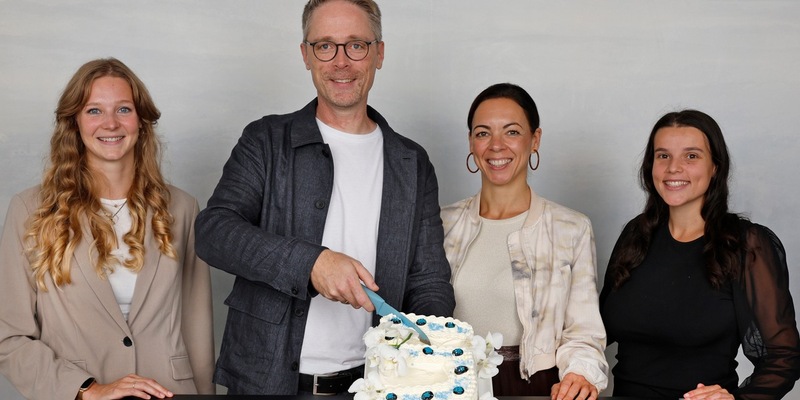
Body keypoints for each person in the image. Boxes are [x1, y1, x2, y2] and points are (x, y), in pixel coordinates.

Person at [194, 0, 455, 395]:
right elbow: (214, 232)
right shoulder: (265, 140)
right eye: (325, 46)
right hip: (265, 385)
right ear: (305, 54)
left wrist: (430, 352)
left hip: (375, 386)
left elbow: (429, 279)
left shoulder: (412, 162)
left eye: (356, 45)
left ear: (379, 53)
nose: (340, 61)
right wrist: (312, 263)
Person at [0, 58, 215, 400]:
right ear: (74, 122)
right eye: (94, 111)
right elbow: (9, 337)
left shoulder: (182, 208)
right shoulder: (31, 211)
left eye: (124, 109)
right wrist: (85, 389)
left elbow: (197, 325)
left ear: (142, 121)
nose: (111, 123)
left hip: (172, 393)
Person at [600, 109, 800, 399]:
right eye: (663, 155)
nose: (673, 168)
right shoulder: (636, 234)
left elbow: (783, 357)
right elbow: (596, 329)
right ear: (651, 166)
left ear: (715, 166)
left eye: (691, 156)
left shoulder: (747, 245)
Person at [441, 83, 608, 400]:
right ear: (471, 142)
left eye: (512, 132)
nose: (496, 146)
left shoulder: (570, 228)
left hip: (537, 387)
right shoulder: (440, 224)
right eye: (483, 133)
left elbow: (583, 331)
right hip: (454, 385)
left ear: (535, 140)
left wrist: (579, 374)